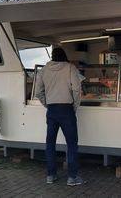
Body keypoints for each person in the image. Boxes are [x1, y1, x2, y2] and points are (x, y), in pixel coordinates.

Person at [35, 47, 84, 186]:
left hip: (51, 110)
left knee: (50, 144)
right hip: (67, 109)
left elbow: (38, 91)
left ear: (52, 56)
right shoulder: (70, 68)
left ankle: (50, 175)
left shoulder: (43, 70)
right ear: (64, 55)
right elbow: (76, 89)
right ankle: (72, 177)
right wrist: (74, 106)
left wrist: (47, 104)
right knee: (72, 144)